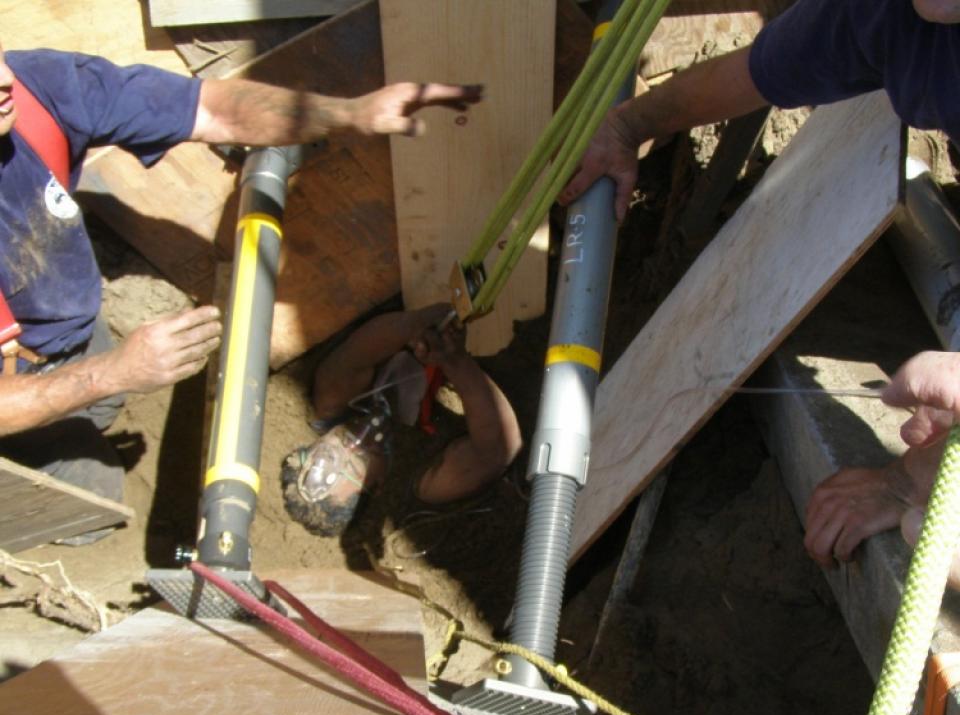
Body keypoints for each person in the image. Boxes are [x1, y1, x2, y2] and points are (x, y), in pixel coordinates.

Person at [0, 39, 481, 523]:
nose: (4, 80)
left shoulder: (36, 90)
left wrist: (351, 112)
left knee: (103, 408)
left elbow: (216, 111)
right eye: (339, 475)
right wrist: (112, 372)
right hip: (13, 389)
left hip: (61, 336)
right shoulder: (415, 456)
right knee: (92, 507)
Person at [559, 0, 960, 572]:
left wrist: (904, 480)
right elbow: (763, 70)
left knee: (938, 539)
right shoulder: (899, 15)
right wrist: (628, 125)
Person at [280, 302, 522, 536]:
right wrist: (454, 360)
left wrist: (415, 325)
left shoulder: (332, 400)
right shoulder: (423, 484)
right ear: (376, 488)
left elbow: (359, 351)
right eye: (357, 462)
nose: (354, 443)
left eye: (335, 446)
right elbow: (497, 448)